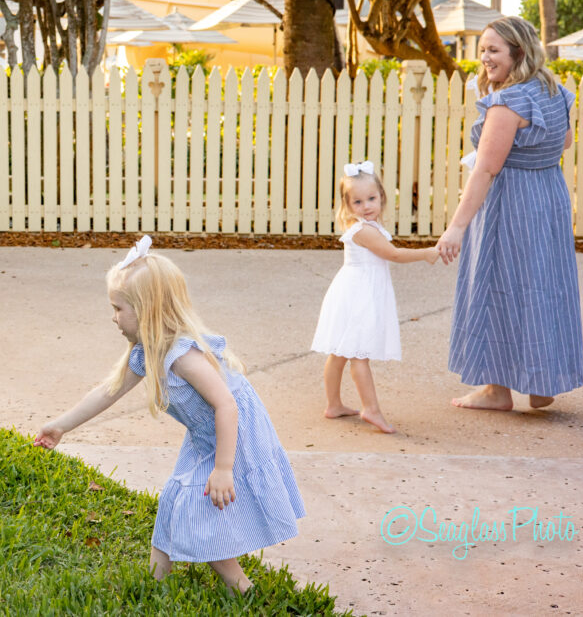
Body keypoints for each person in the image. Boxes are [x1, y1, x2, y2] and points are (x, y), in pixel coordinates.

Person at [34, 236, 305, 594]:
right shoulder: (146, 352)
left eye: (118, 308)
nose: (112, 317)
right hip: (204, 434)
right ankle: (155, 582)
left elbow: (227, 405)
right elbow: (107, 391)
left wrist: (224, 469)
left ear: (147, 310)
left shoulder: (182, 356)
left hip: (232, 434)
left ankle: (243, 588)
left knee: (199, 510)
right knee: (175, 501)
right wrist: (60, 426)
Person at [437, 16, 583, 410]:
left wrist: (456, 227)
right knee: (542, 286)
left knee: (496, 287)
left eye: (493, 50)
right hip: (547, 196)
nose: (484, 57)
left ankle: (495, 390)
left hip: (510, 203)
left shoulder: (507, 102)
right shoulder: (555, 91)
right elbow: (565, 141)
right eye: (483, 49)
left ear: (518, 52)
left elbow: (486, 169)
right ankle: (541, 382)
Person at [310, 162, 439, 433]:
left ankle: (334, 405)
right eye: (357, 201)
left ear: (381, 196)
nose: (366, 205)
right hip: (359, 295)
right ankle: (371, 409)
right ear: (347, 205)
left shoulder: (367, 225)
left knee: (341, 352)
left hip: (355, 290)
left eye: (371, 198)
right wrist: (425, 252)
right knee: (358, 354)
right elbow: (393, 254)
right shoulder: (364, 230)